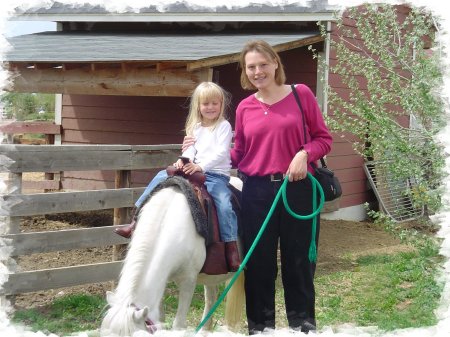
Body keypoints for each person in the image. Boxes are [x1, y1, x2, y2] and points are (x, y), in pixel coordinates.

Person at [231, 40, 332, 334]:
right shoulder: (244, 107)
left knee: (298, 263)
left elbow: (323, 139)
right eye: (251, 67)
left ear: (275, 63)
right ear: (245, 71)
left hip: (298, 190)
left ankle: (302, 327)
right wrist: (201, 150)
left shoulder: (301, 95)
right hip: (257, 193)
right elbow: (237, 153)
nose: (258, 71)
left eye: (263, 64)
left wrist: (304, 154)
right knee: (259, 264)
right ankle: (260, 328)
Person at [115, 81, 241, 272]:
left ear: (221, 104)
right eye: (206, 104)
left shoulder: (223, 126)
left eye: (215, 103)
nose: (210, 107)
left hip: (215, 174)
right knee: (159, 178)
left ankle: (231, 246)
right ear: (198, 106)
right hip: (193, 170)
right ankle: (135, 220)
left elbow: (221, 153)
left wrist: (200, 165)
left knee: (223, 203)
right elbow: (190, 149)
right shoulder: (196, 127)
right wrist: (183, 161)